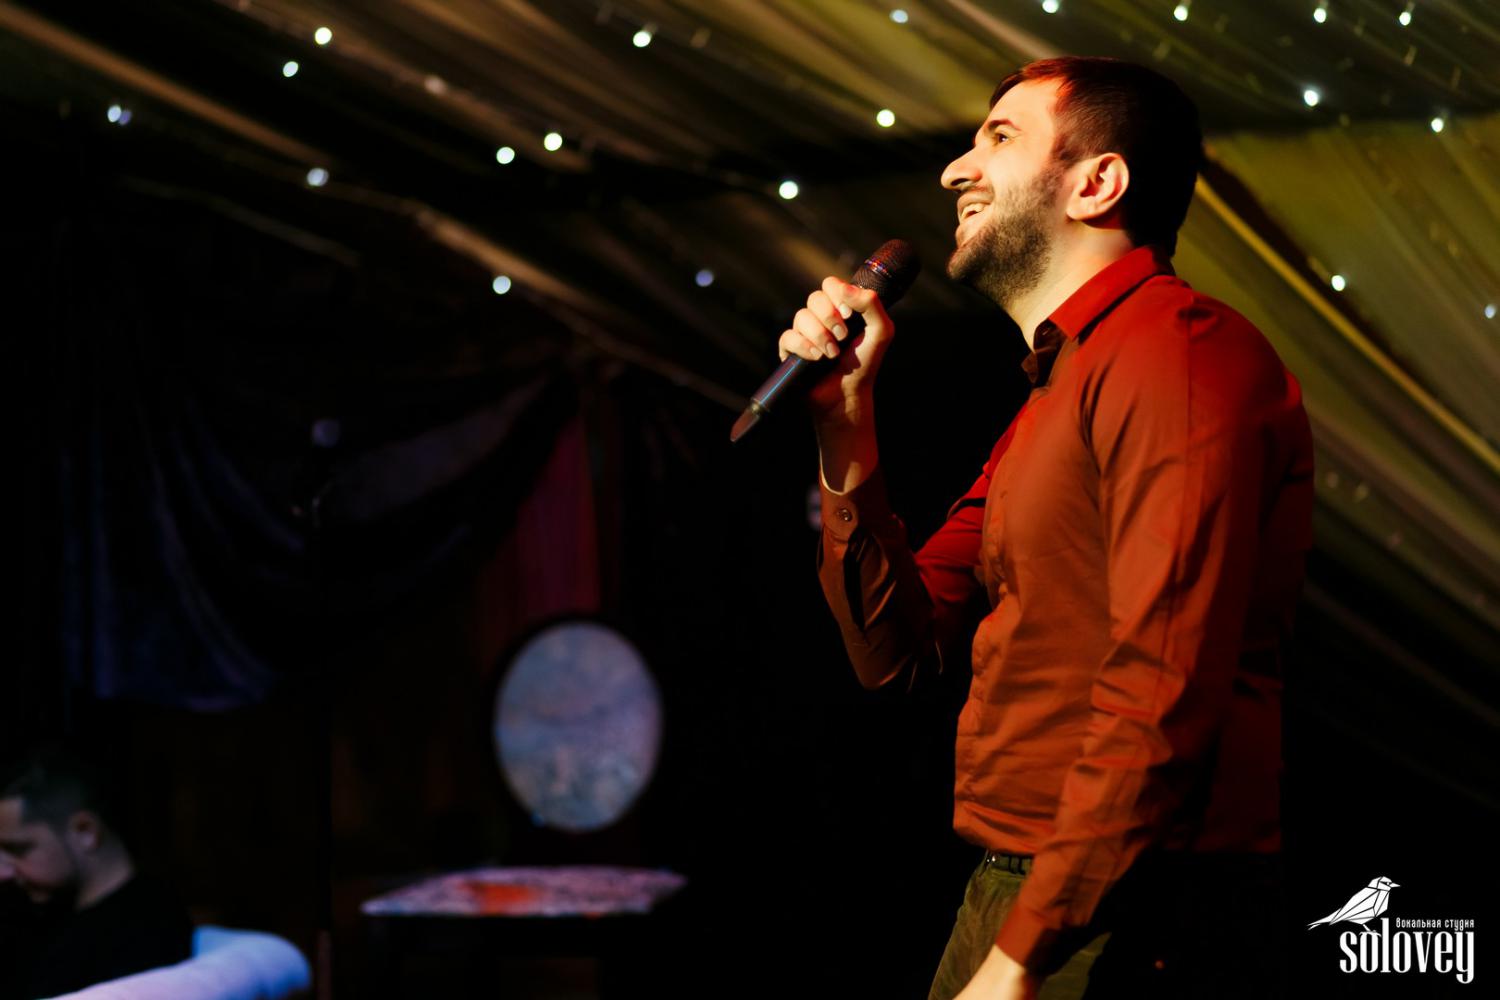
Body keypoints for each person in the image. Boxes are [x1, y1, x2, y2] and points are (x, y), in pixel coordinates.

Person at [777, 57, 1313, 999]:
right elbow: (896, 652)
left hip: (1127, 902)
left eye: (999, 137)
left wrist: (1024, 953)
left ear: (1098, 183)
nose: (955, 170)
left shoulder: (1175, 354)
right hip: (1031, 886)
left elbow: (1164, 679)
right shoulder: (1056, 394)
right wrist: (845, 424)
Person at [0, 744, 193, 999]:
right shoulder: (46, 912)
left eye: (18, 849)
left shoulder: (145, 933)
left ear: (85, 832)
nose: (3, 872)